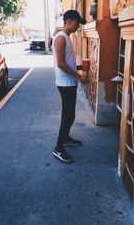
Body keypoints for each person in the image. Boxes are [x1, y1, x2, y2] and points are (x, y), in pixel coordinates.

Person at [52, 10, 89, 163]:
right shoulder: (61, 38)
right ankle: (58, 148)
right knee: (69, 115)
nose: (78, 26)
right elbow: (60, 64)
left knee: (67, 114)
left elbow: (66, 62)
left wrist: (78, 68)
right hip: (65, 83)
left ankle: (65, 138)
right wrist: (79, 76)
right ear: (69, 21)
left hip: (68, 82)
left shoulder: (66, 37)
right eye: (77, 22)